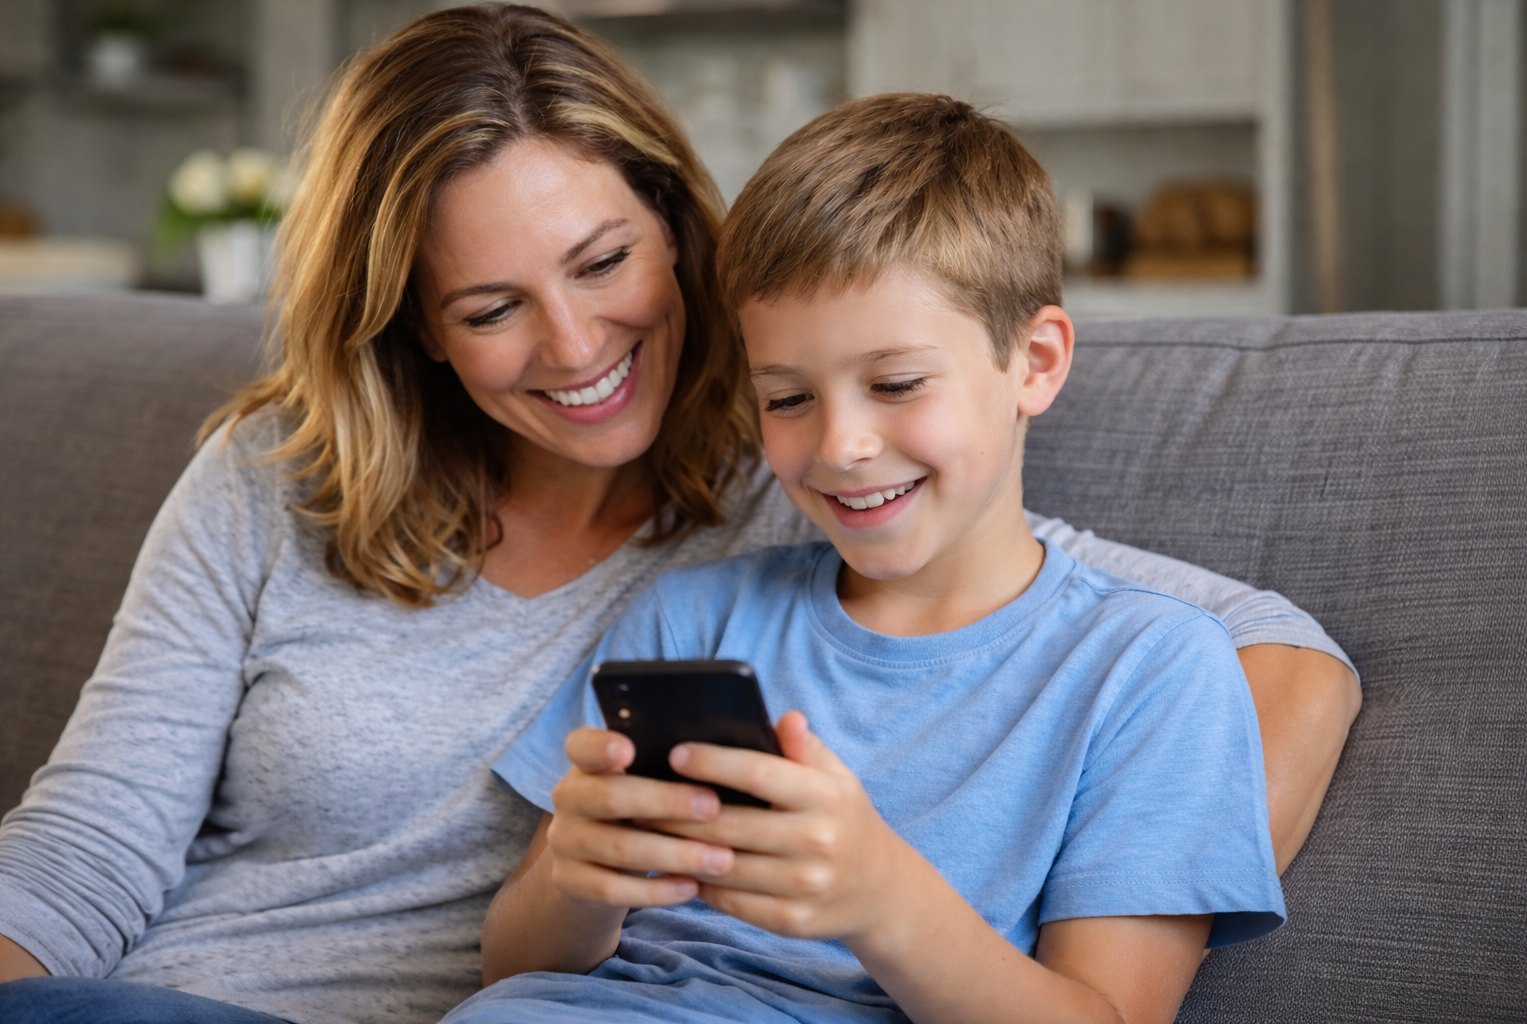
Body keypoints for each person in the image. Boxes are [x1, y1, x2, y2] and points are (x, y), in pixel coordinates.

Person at [0, 7, 1356, 1024]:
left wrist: (1048, 885)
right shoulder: (286, 479)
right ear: (413, 332)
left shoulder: (813, 494)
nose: (576, 342)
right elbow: (88, 847)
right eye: (490, 309)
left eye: (602, 263)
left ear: (676, 229)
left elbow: (1247, 655)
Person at [446, 93, 1290, 1024]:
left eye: (895, 384)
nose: (841, 443)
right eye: (788, 398)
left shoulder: (1154, 670)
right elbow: (513, 970)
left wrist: (882, 897)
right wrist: (580, 879)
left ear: (1037, 362)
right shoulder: (689, 621)